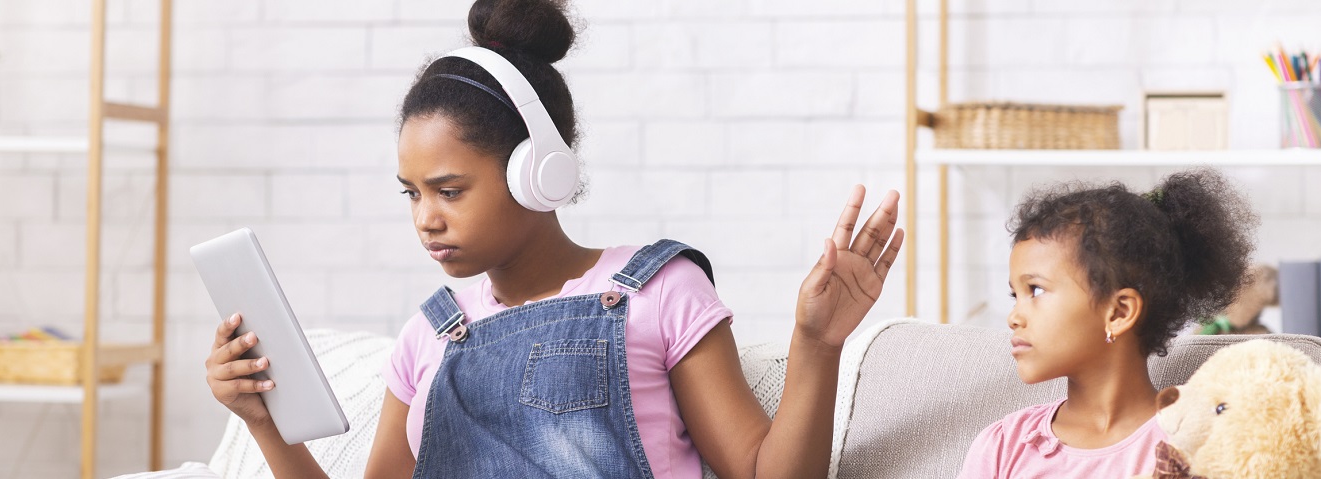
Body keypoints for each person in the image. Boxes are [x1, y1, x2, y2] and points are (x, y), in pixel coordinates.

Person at [203, 1, 904, 478]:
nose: (425, 218)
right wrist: (266, 422)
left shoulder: (657, 290)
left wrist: (816, 344)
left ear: (538, 172)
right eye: (411, 193)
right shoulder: (427, 336)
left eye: (449, 190)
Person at [957, 168, 1257, 478]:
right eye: (1014, 295)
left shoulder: (1194, 448)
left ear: (1118, 313)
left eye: (1035, 290)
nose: (1014, 317)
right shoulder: (1004, 447)